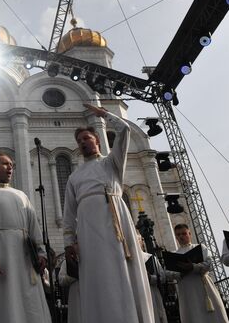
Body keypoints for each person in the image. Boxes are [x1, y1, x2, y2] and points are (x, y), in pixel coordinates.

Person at [62, 103, 154, 323]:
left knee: (122, 267)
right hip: (88, 227)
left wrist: (104, 115)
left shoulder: (111, 163)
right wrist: (68, 243)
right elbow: (68, 213)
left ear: (97, 140)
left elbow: (125, 130)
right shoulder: (75, 177)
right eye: (80, 141)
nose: (83, 143)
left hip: (115, 220)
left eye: (87, 138)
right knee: (97, 271)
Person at [0, 153, 52, 323]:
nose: (10, 167)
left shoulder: (21, 195)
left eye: (11, 165)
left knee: (30, 301)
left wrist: (41, 252)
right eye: (5, 164)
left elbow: (33, 226)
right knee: (4, 301)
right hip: (1, 256)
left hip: (25, 259)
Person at [173, 223, 228, 323]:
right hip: (186, 290)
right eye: (178, 234)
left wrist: (193, 267)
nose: (181, 236)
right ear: (176, 236)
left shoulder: (200, 247)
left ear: (190, 234)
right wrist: (181, 273)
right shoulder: (174, 254)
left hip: (203, 287)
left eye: (184, 233)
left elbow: (209, 263)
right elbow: (168, 273)